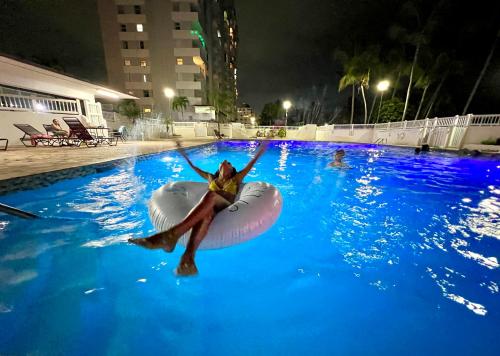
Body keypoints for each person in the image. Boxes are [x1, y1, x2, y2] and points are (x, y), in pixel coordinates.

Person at [129, 140, 270, 276]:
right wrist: (184, 154)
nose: (224, 163)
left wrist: (261, 150)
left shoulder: (236, 179)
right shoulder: (211, 178)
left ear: (232, 170)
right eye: (223, 162)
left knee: (211, 196)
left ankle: (170, 236)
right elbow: (195, 168)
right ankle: (188, 259)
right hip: (211, 208)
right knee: (206, 216)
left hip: (226, 206)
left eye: (228, 163)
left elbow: (251, 164)